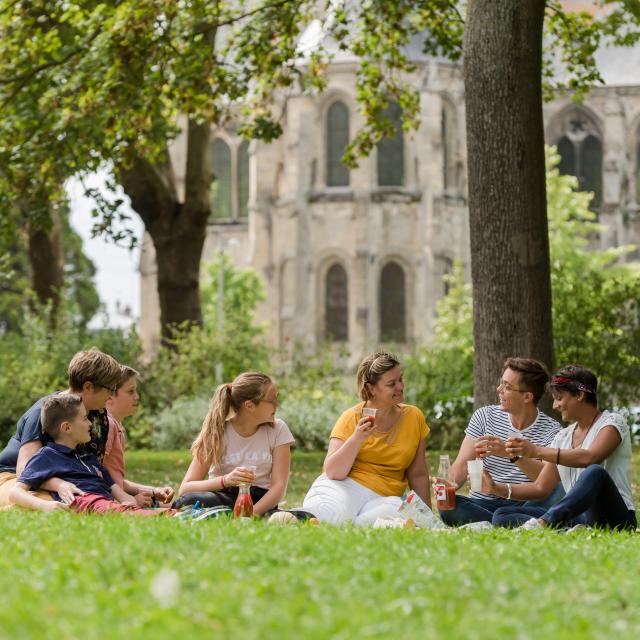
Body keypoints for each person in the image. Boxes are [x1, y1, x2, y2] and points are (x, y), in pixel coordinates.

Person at [483, 365, 636, 530]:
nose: (555, 405)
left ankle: (545, 523)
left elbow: (589, 457)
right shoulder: (562, 437)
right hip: (579, 517)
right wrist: (495, 488)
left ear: (580, 395)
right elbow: (540, 487)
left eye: (559, 398)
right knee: (502, 515)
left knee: (594, 471)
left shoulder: (612, 423)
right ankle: (567, 529)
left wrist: (535, 451)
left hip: (615, 517)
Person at [302, 351, 431, 526]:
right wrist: (357, 438)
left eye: (400, 379)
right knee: (331, 513)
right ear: (371, 389)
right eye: (392, 383)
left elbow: (418, 475)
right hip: (345, 488)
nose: (400, 387)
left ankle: (350, 524)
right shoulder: (351, 418)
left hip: (385, 498)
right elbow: (332, 472)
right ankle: (314, 519)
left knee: (402, 510)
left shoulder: (414, 417)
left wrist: (428, 519)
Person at [432, 357, 563, 527]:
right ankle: (508, 523)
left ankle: (498, 522)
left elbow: (545, 480)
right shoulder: (484, 417)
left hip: (524, 505)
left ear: (527, 396)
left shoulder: (553, 431)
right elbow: (462, 465)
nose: (499, 389)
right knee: (449, 507)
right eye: (501, 383)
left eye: (507, 387)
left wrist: (510, 453)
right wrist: (448, 485)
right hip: (482, 503)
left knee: (558, 492)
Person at [9, 394, 173, 516]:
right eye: (84, 419)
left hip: (105, 502)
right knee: (117, 511)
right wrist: (45, 506)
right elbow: (15, 492)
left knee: (129, 509)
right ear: (67, 428)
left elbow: (114, 488)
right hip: (82, 500)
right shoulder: (47, 455)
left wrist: (130, 500)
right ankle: (173, 516)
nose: (89, 423)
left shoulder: (88, 458)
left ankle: (177, 513)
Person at [0, 348, 122, 508]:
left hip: (64, 479)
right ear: (88, 387)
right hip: (12, 477)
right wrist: (59, 484)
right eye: (110, 388)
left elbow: (92, 471)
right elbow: (24, 471)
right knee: (55, 502)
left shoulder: (98, 417)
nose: (112, 395)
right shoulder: (45, 412)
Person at [175, 372, 294, 517]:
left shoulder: (278, 429)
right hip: (223, 496)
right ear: (249, 406)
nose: (277, 404)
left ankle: (224, 515)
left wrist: (250, 514)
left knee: (300, 516)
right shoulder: (217, 431)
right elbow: (186, 489)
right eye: (272, 400)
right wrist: (226, 480)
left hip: (260, 501)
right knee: (189, 500)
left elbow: (279, 487)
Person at [103, 366, 174, 507]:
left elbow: (117, 481)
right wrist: (131, 500)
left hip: (117, 496)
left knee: (173, 505)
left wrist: (154, 491)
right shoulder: (108, 425)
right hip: (109, 500)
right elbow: (98, 474)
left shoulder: (116, 426)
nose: (137, 396)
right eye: (130, 391)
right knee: (176, 507)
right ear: (110, 396)